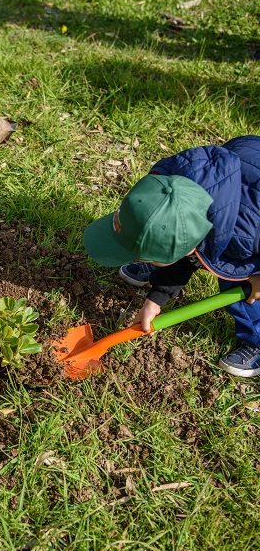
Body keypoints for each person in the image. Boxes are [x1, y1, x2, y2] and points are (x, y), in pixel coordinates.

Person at [83, 135, 260, 378]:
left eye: (147, 256)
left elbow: (190, 248)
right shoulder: (168, 181)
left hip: (250, 219)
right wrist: (156, 298)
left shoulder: (247, 235)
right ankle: (156, 253)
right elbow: (186, 244)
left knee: (240, 279)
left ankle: (256, 339)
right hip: (241, 176)